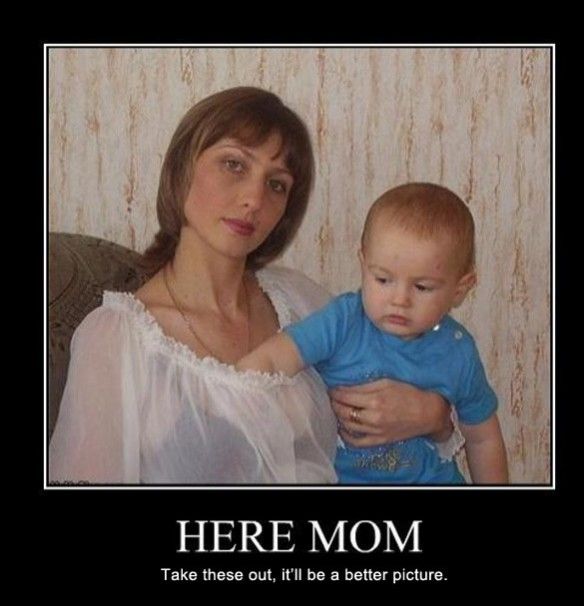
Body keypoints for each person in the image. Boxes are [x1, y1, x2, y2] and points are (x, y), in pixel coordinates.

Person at [49, 87, 457, 484]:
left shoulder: (301, 300)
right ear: (182, 169)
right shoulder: (117, 339)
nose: (254, 199)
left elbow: (407, 388)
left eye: (276, 184)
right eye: (234, 165)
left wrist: (434, 417)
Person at [237, 183, 509, 484]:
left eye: (421, 287)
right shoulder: (342, 320)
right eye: (382, 279)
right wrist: (229, 396)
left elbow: (483, 439)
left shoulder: (459, 351)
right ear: (363, 264)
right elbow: (275, 358)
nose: (400, 300)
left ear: (460, 288)